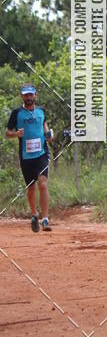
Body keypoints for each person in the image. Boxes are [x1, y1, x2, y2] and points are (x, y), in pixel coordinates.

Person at [5, 84, 54, 232]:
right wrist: (16, 134)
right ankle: (34, 215)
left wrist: (48, 134)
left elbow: (44, 124)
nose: (28, 97)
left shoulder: (41, 111)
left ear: (35, 95)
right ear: (22, 96)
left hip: (41, 153)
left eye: (31, 94)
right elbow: (7, 133)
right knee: (31, 188)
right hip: (26, 156)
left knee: (43, 183)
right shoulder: (16, 113)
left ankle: (45, 219)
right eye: (26, 95)